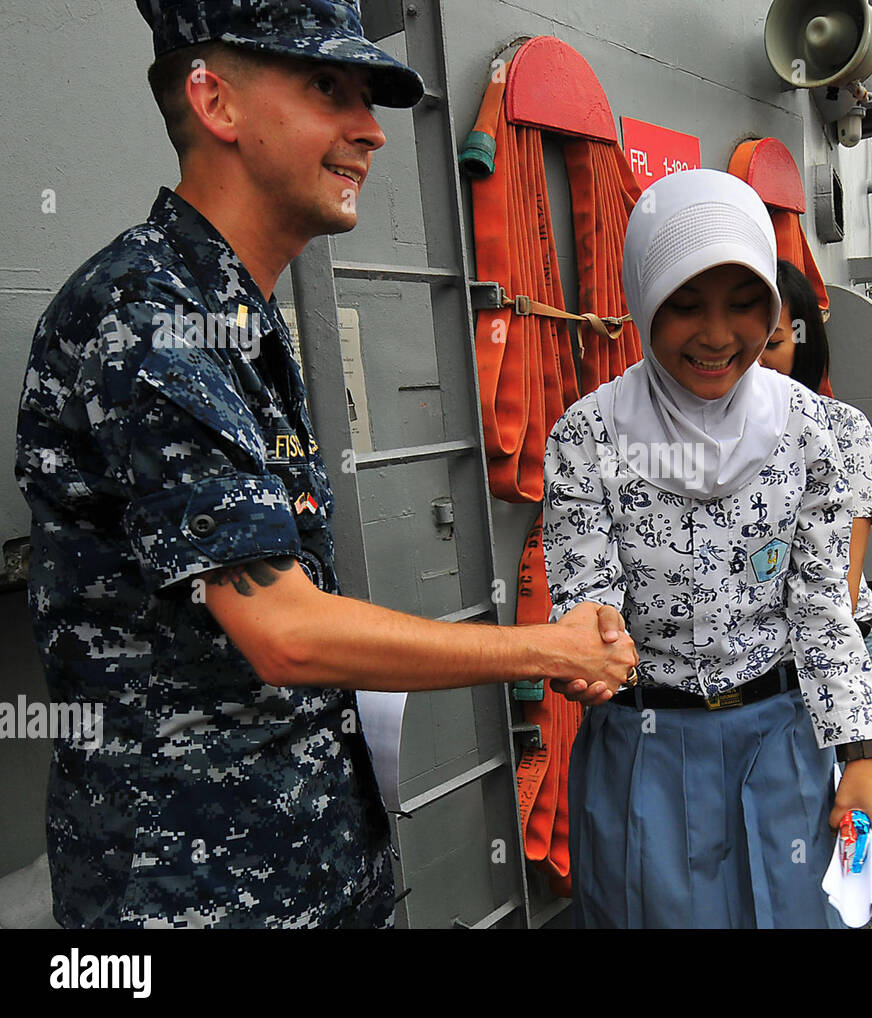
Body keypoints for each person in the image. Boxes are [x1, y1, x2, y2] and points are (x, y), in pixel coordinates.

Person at [13, 0, 636, 929]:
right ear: (214, 100)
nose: (369, 133)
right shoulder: (143, 316)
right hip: (191, 899)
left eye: (367, 99)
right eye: (325, 88)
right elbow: (286, 632)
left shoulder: (233, 315)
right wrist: (547, 648)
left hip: (300, 872)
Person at [543, 169, 872, 928]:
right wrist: (584, 654)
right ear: (643, 300)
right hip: (644, 751)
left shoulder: (820, 433)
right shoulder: (585, 436)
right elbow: (586, 599)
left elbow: (826, 610)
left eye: (744, 304)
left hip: (784, 744)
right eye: (684, 304)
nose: (717, 334)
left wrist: (859, 756)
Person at [761, 260, 872, 672]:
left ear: (804, 339)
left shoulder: (845, 427)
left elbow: (843, 582)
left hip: (829, 644)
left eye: (772, 343)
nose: (754, 362)